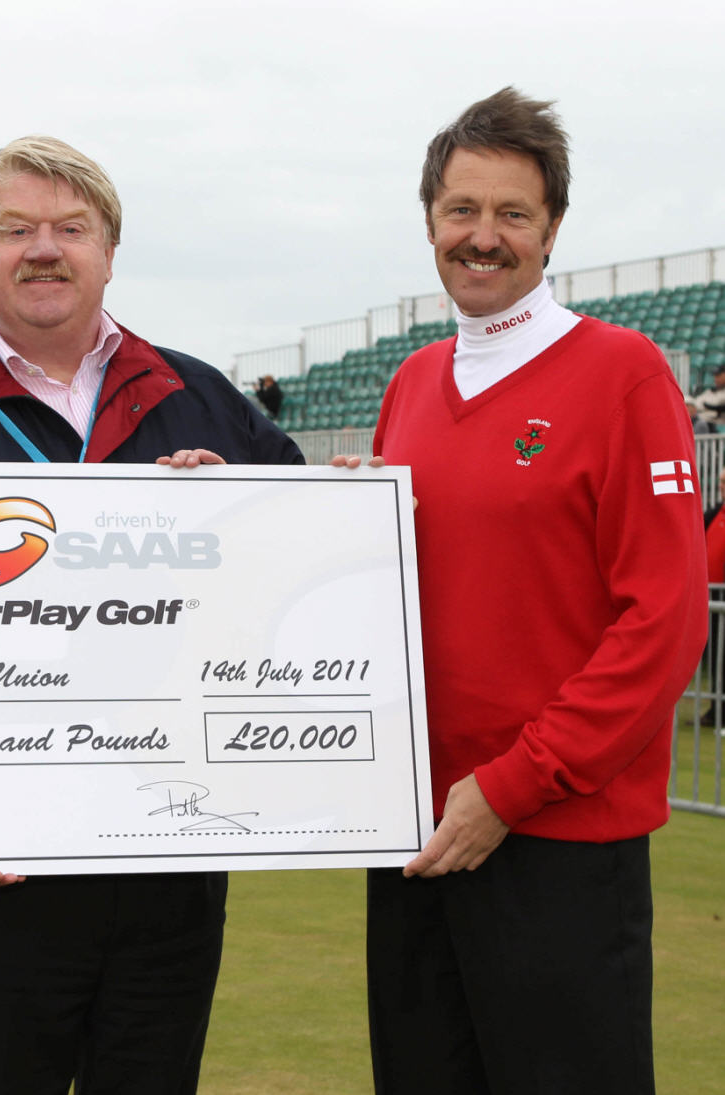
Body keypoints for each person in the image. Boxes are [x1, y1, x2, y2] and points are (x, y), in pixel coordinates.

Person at [0, 135, 303, 1094]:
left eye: (70, 228)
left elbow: (302, 574)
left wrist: (235, 516)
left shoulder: (207, 402)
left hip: (168, 858)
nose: (43, 248)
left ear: (109, 249)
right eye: (15, 229)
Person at [351, 88, 706, 1094]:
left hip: (552, 837)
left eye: (511, 214)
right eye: (461, 210)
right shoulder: (410, 383)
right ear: (428, 219)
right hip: (415, 834)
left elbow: (663, 622)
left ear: (550, 230)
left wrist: (510, 787)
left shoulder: (622, 374)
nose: (482, 236)